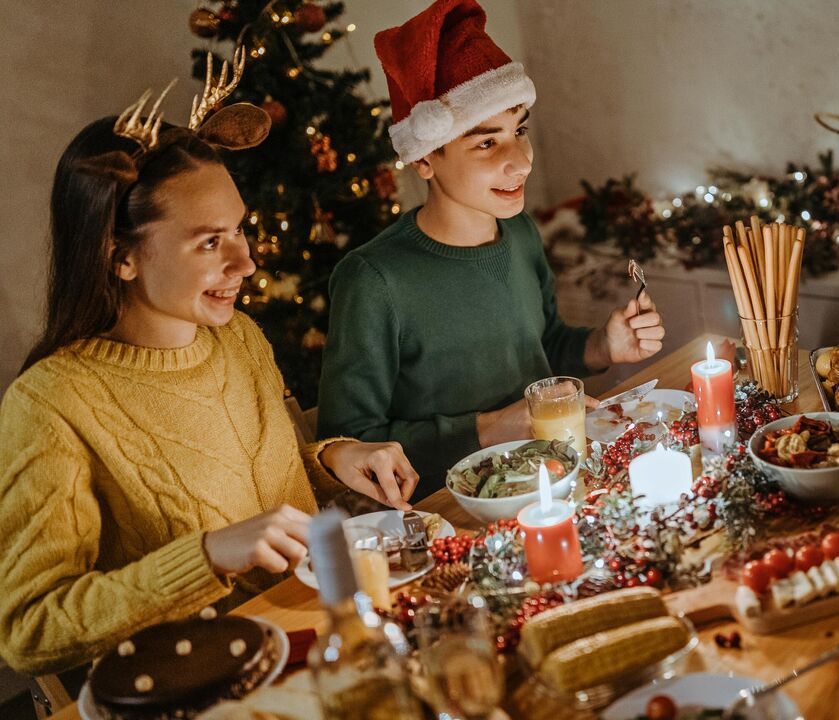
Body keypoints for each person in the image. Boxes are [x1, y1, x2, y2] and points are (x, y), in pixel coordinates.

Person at [0, 73, 418, 676]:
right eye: (209, 242)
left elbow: (257, 485)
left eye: (240, 229)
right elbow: (29, 627)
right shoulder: (51, 403)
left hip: (322, 639)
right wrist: (205, 557)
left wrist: (333, 461)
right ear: (119, 255)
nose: (245, 261)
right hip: (205, 685)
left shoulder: (239, 339)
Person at [317, 0, 665, 497]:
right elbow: (347, 448)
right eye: (486, 143)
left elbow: (541, 351)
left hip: (553, 486)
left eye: (519, 131)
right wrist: (489, 428)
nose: (520, 162)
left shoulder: (519, 232)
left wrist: (602, 346)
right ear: (423, 161)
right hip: (450, 516)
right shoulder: (373, 279)